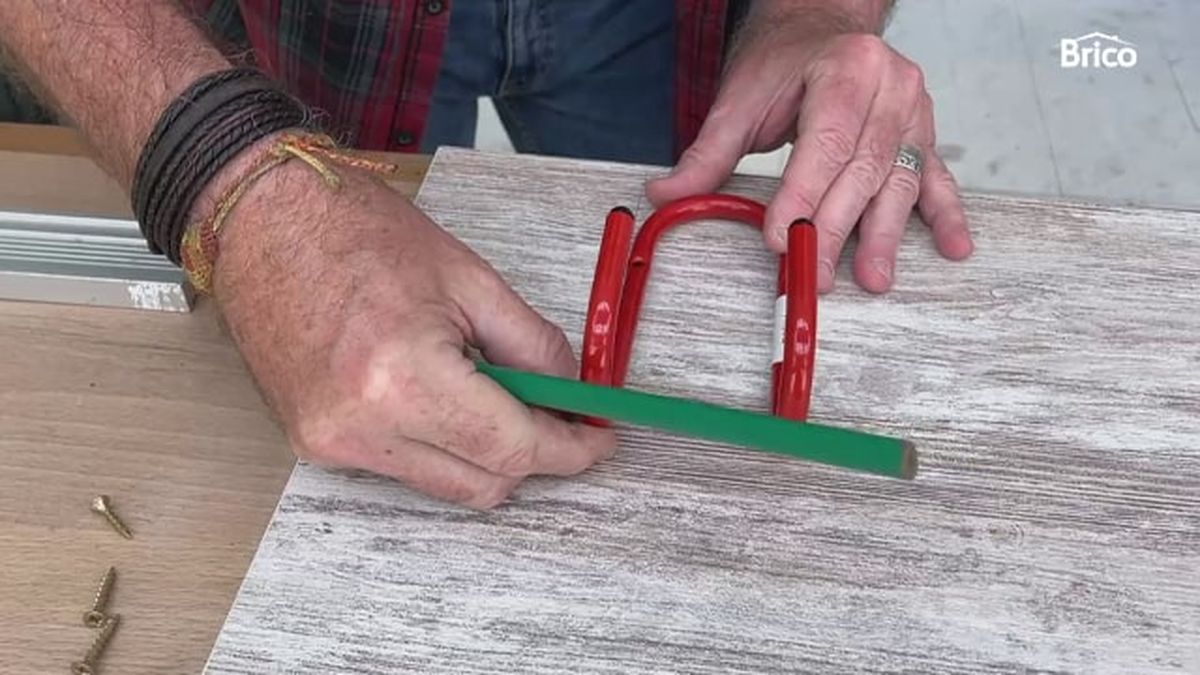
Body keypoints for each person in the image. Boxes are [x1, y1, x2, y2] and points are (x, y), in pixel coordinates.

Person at [0, 1, 971, 508]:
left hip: (648, 21)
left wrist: (821, 15)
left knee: (644, 193)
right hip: (306, 26)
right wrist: (230, 176)